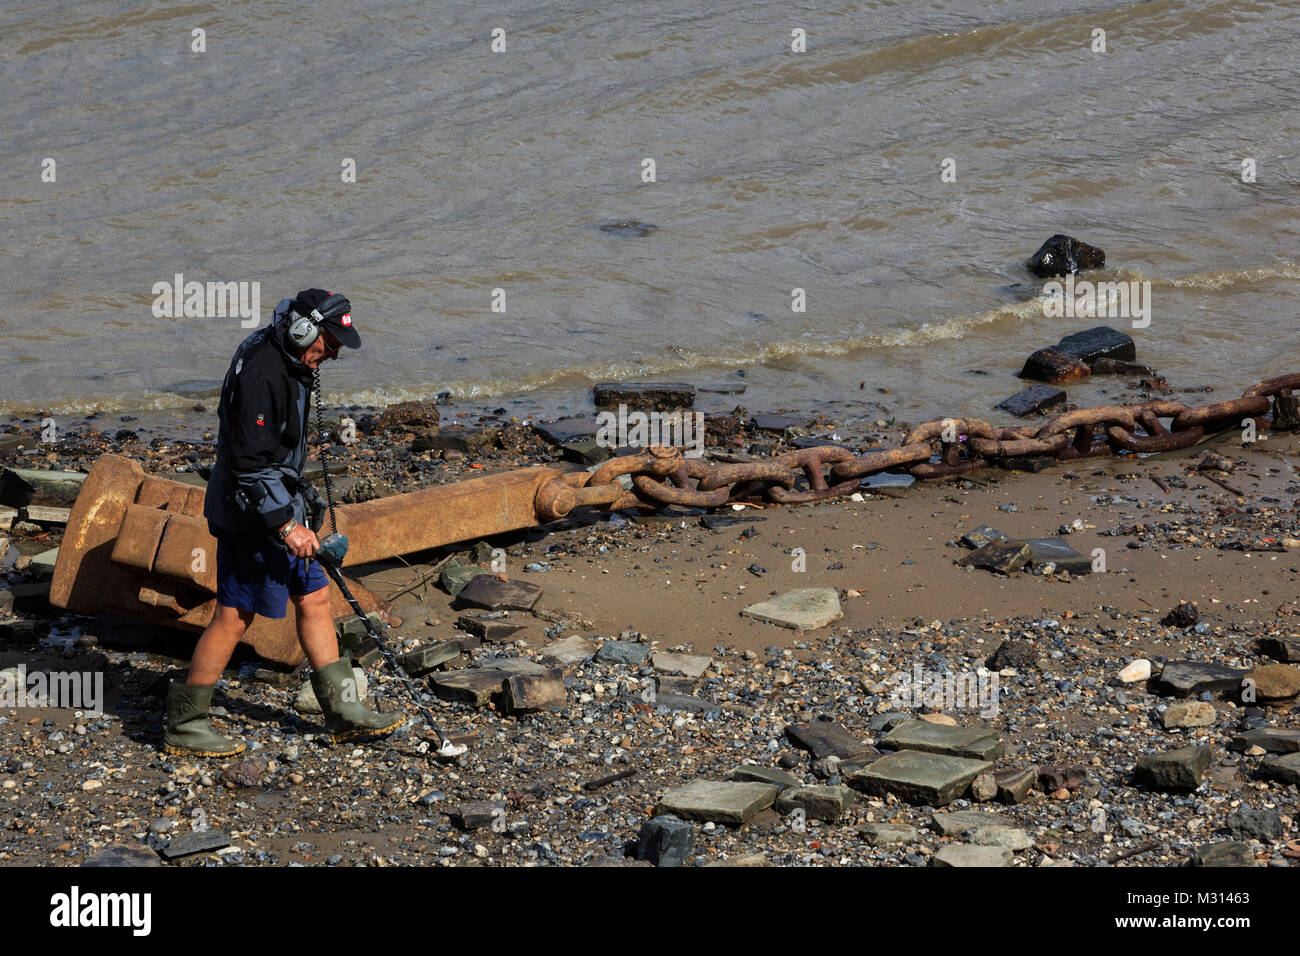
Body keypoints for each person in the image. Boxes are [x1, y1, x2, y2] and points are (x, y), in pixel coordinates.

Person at [163, 288, 405, 757]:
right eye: (328, 343)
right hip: (251, 513)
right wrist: (286, 527)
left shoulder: (288, 358)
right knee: (235, 616)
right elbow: (250, 465)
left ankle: (342, 712)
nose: (332, 353)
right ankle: (185, 723)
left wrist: (298, 504)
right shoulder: (263, 370)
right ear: (302, 329)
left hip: (280, 502)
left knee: (315, 597)